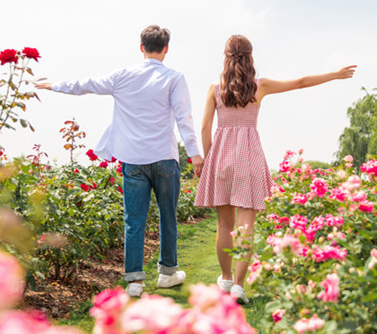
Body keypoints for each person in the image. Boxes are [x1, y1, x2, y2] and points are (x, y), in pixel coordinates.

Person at [36, 25, 204, 297]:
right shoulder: (174, 78)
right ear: (166, 48)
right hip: (164, 158)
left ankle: (135, 282)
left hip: (133, 160)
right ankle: (167, 274)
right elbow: (185, 119)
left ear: (141, 47)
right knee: (167, 217)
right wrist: (195, 154)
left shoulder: (122, 76)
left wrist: (55, 85)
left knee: (133, 220)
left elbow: (85, 85)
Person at [194, 34, 357, 303]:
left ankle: (224, 279)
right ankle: (238, 285)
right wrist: (335, 75)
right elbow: (301, 83)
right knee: (246, 226)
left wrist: (209, 158)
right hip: (248, 157)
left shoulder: (215, 88)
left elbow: (204, 128)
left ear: (225, 56)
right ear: (250, 56)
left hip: (221, 156)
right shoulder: (260, 86)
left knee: (224, 223)